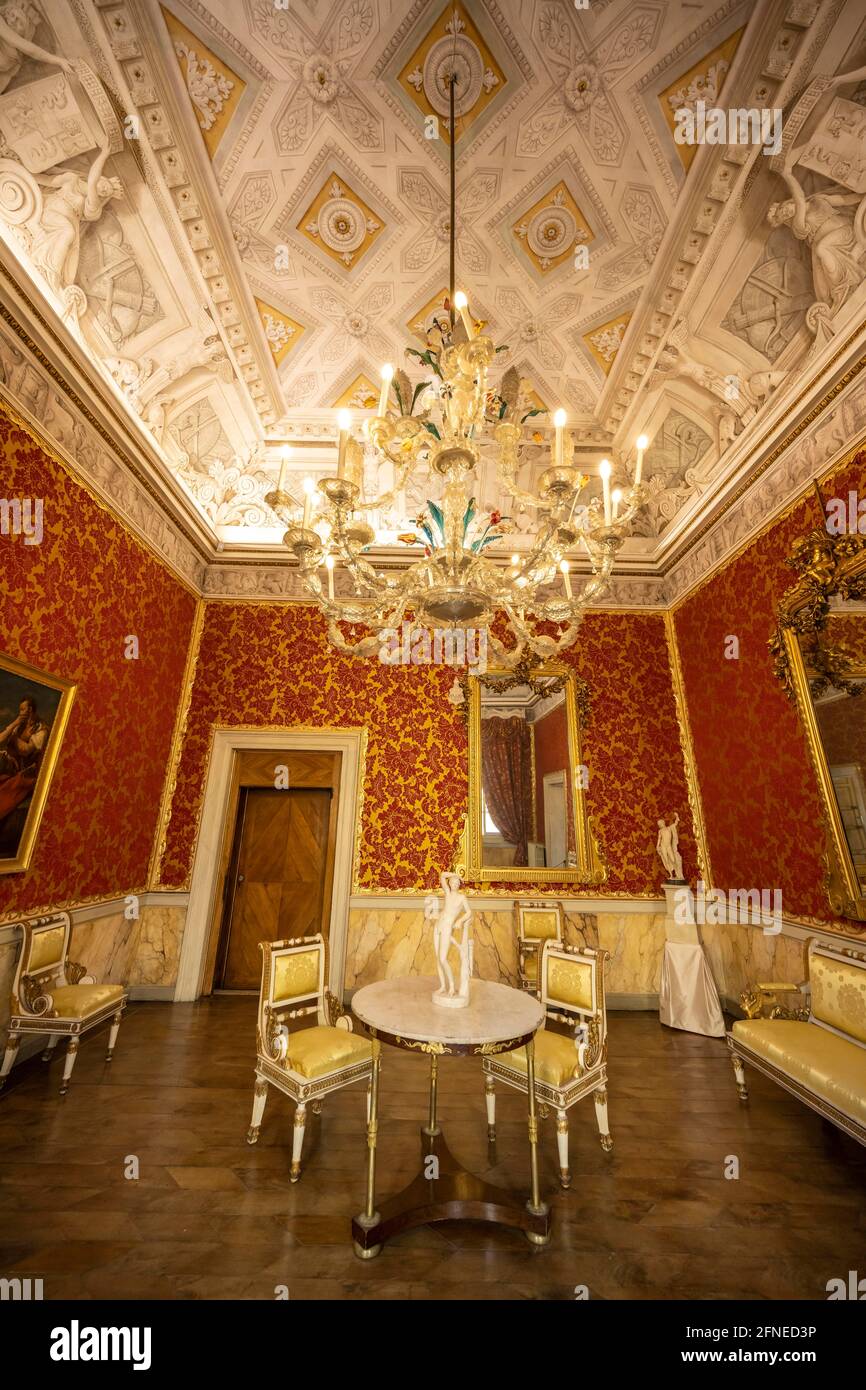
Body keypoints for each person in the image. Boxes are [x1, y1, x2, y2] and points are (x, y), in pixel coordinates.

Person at [0, 695, 48, 828]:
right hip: (14, 769)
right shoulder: (20, 725)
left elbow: (25, 750)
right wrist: (15, 726)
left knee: (7, 793)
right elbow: (4, 741)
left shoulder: (41, 729)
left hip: (29, 773)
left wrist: (15, 737)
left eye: (22, 709)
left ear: (30, 710)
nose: (20, 713)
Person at [656, 812, 684, 881]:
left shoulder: (669, 828)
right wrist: (657, 846)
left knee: (673, 859)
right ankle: (671, 875)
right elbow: (659, 839)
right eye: (659, 824)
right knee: (666, 860)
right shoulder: (660, 831)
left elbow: (675, 824)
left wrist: (677, 817)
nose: (660, 825)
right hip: (663, 847)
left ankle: (678, 874)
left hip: (669, 847)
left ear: (663, 823)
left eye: (660, 823)